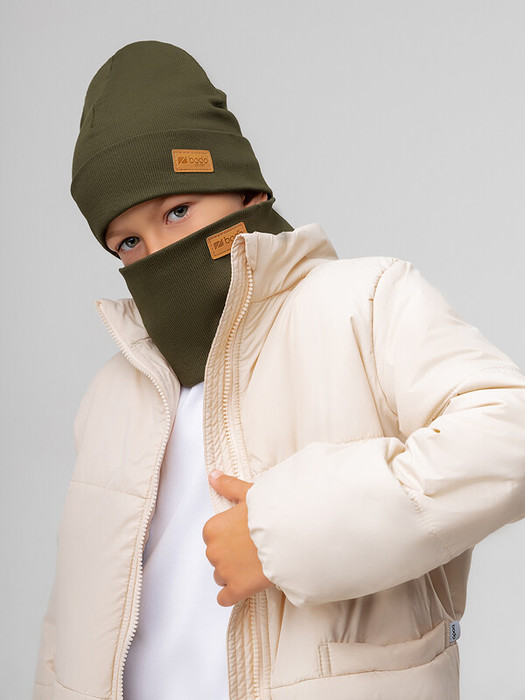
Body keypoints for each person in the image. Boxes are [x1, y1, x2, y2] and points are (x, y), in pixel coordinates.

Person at [33, 40, 525, 700]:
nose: (158, 253)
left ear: (245, 190)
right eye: (128, 242)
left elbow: (510, 434)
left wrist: (284, 533)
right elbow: (69, 633)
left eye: (177, 211)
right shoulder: (111, 394)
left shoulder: (364, 304)